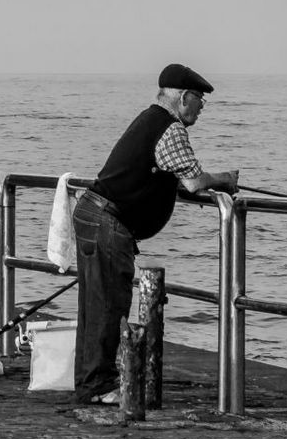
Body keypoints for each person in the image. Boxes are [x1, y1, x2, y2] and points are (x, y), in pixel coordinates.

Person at [72, 63, 241, 405]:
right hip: (108, 220)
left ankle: (91, 383)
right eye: (199, 99)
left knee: (95, 305)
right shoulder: (172, 128)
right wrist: (225, 178)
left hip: (93, 211)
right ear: (183, 98)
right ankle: (99, 387)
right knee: (109, 306)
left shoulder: (147, 118)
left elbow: (168, 176)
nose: (202, 106)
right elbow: (193, 181)